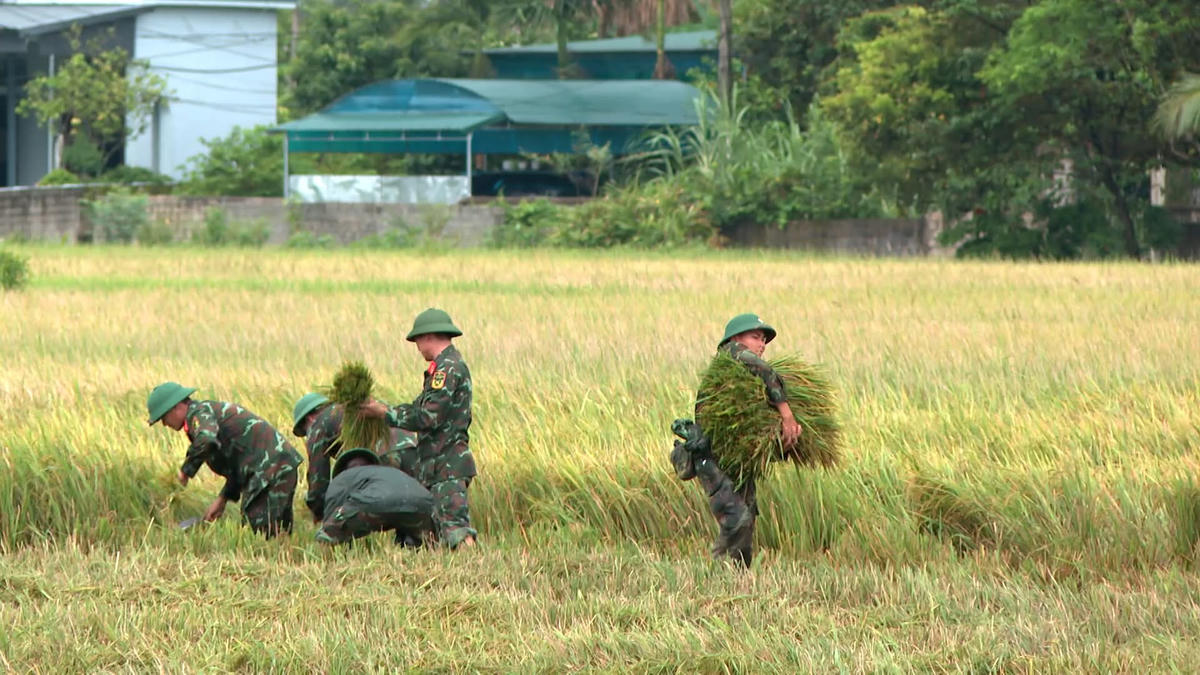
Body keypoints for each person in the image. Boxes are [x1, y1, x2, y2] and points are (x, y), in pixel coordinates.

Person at [673, 313, 801, 567]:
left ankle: (739, 575)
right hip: (711, 457)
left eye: (764, 340)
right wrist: (787, 415)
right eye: (756, 337)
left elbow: (750, 428)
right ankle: (720, 571)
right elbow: (765, 370)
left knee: (747, 516)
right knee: (737, 517)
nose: (762, 345)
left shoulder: (743, 378)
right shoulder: (732, 355)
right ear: (736, 339)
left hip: (734, 457)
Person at [360, 308, 477, 549]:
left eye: (417, 341)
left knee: (455, 529)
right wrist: (383, 409)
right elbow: (418, 408)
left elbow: (427, 416)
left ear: (428, 337)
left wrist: (384, 413)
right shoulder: (445, 367)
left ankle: (474, 566)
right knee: (436, 532)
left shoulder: (447, 369)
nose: (417, 348)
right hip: (437, 464)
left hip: (448, 464)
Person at [147, 382, 302, 538]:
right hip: (277, 466)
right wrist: (222, 499)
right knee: (275, 531)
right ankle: (281, 549)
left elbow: (207, 440)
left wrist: (185, 472)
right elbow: (237, 464)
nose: (164, 424)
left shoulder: (199, 414)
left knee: (258, 531)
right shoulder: (205, 414)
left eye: (163, 417)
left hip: (270, 468)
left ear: (176, 407)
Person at [291, 392, 417, 522]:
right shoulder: (353, 406)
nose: (307, 434)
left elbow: (318, 476)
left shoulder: (318, 424)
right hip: (412, 446)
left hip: (382, 458)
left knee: (377, 511)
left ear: (309, 418)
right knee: (414, 503)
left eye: (305, 431)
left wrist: (319, 511)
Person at [314, 448, 435, 546]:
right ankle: (411, 544)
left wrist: (328, 527)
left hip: (377, 502)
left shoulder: (343, 478)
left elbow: (332, 509)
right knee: (422, 542)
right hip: (423, 502)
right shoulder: (389, 472)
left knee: (328, 532)